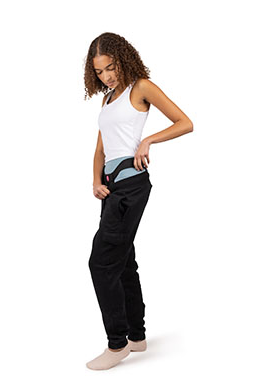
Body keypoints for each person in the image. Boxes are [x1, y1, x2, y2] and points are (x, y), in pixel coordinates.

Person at [83, 32, 193, 370]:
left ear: (123, 59)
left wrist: (148, 140)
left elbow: (185, 122)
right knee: (123, 261)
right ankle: (136, 336)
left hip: (131, 185)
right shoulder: (107, 99)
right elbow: (101, 148)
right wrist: (96, 181)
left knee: (101, 263)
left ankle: (116, 344)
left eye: (110, 67)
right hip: (110, 187)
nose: (106, 76)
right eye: (99, 71)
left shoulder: (141, 87)